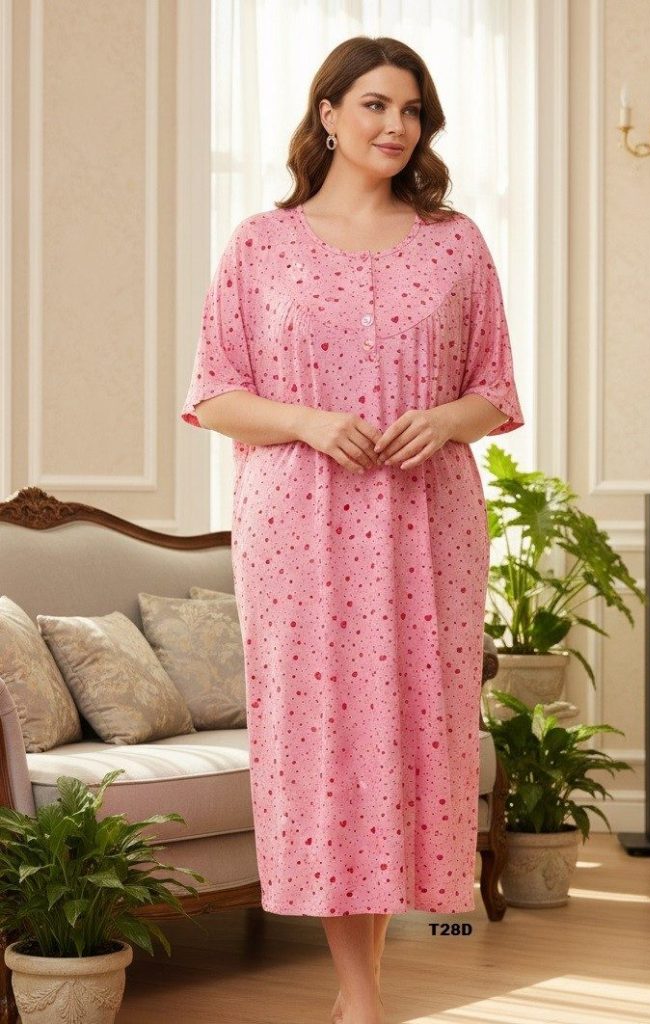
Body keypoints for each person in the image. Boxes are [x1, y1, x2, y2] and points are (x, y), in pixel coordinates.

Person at [180, 34, 524, 1024]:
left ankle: (356, 996)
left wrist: (442, 420)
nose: (395, 125)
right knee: (326, 740)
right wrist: (307, 420)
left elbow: (496, 391)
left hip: (426, 522)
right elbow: (213, 397)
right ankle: (365, 1001)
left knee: (404, 739)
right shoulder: (260, 244)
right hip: (299, 526)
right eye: (375, 104)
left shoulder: (455, 242)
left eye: (411, 110)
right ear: (327, 113)